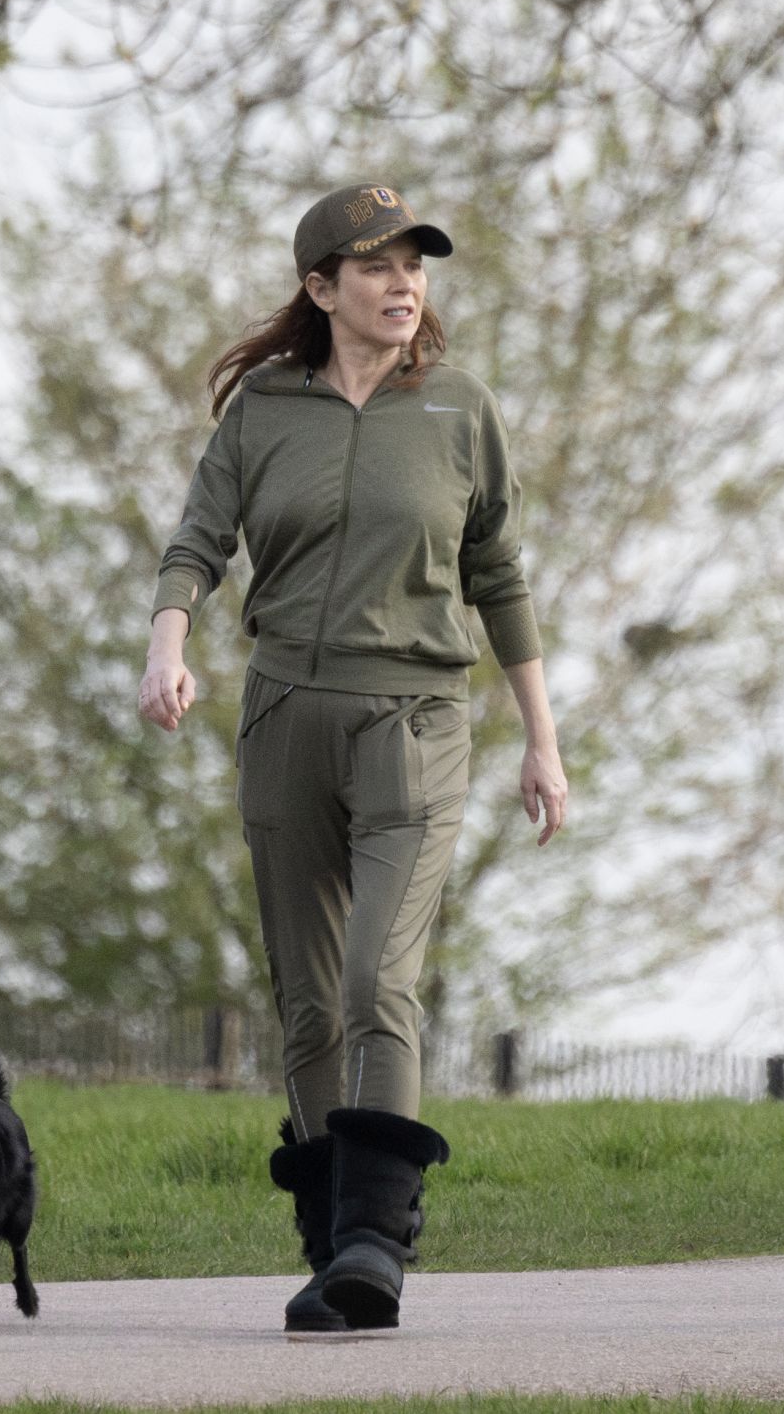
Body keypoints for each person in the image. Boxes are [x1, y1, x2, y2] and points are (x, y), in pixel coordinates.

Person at [140, 183, 567, 1333]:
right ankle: (334, 1254)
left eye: (413, 263)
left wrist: (541, 737)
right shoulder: (265, 411)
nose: (402, 283)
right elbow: (199, 541)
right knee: (307, 1007)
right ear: (321, 288)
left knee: (382, 977)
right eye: (374, 266)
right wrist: (168, 645)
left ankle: (379, 1234)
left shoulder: (461, 410)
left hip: (415, 725)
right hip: (286, 719)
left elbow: (500, 576)